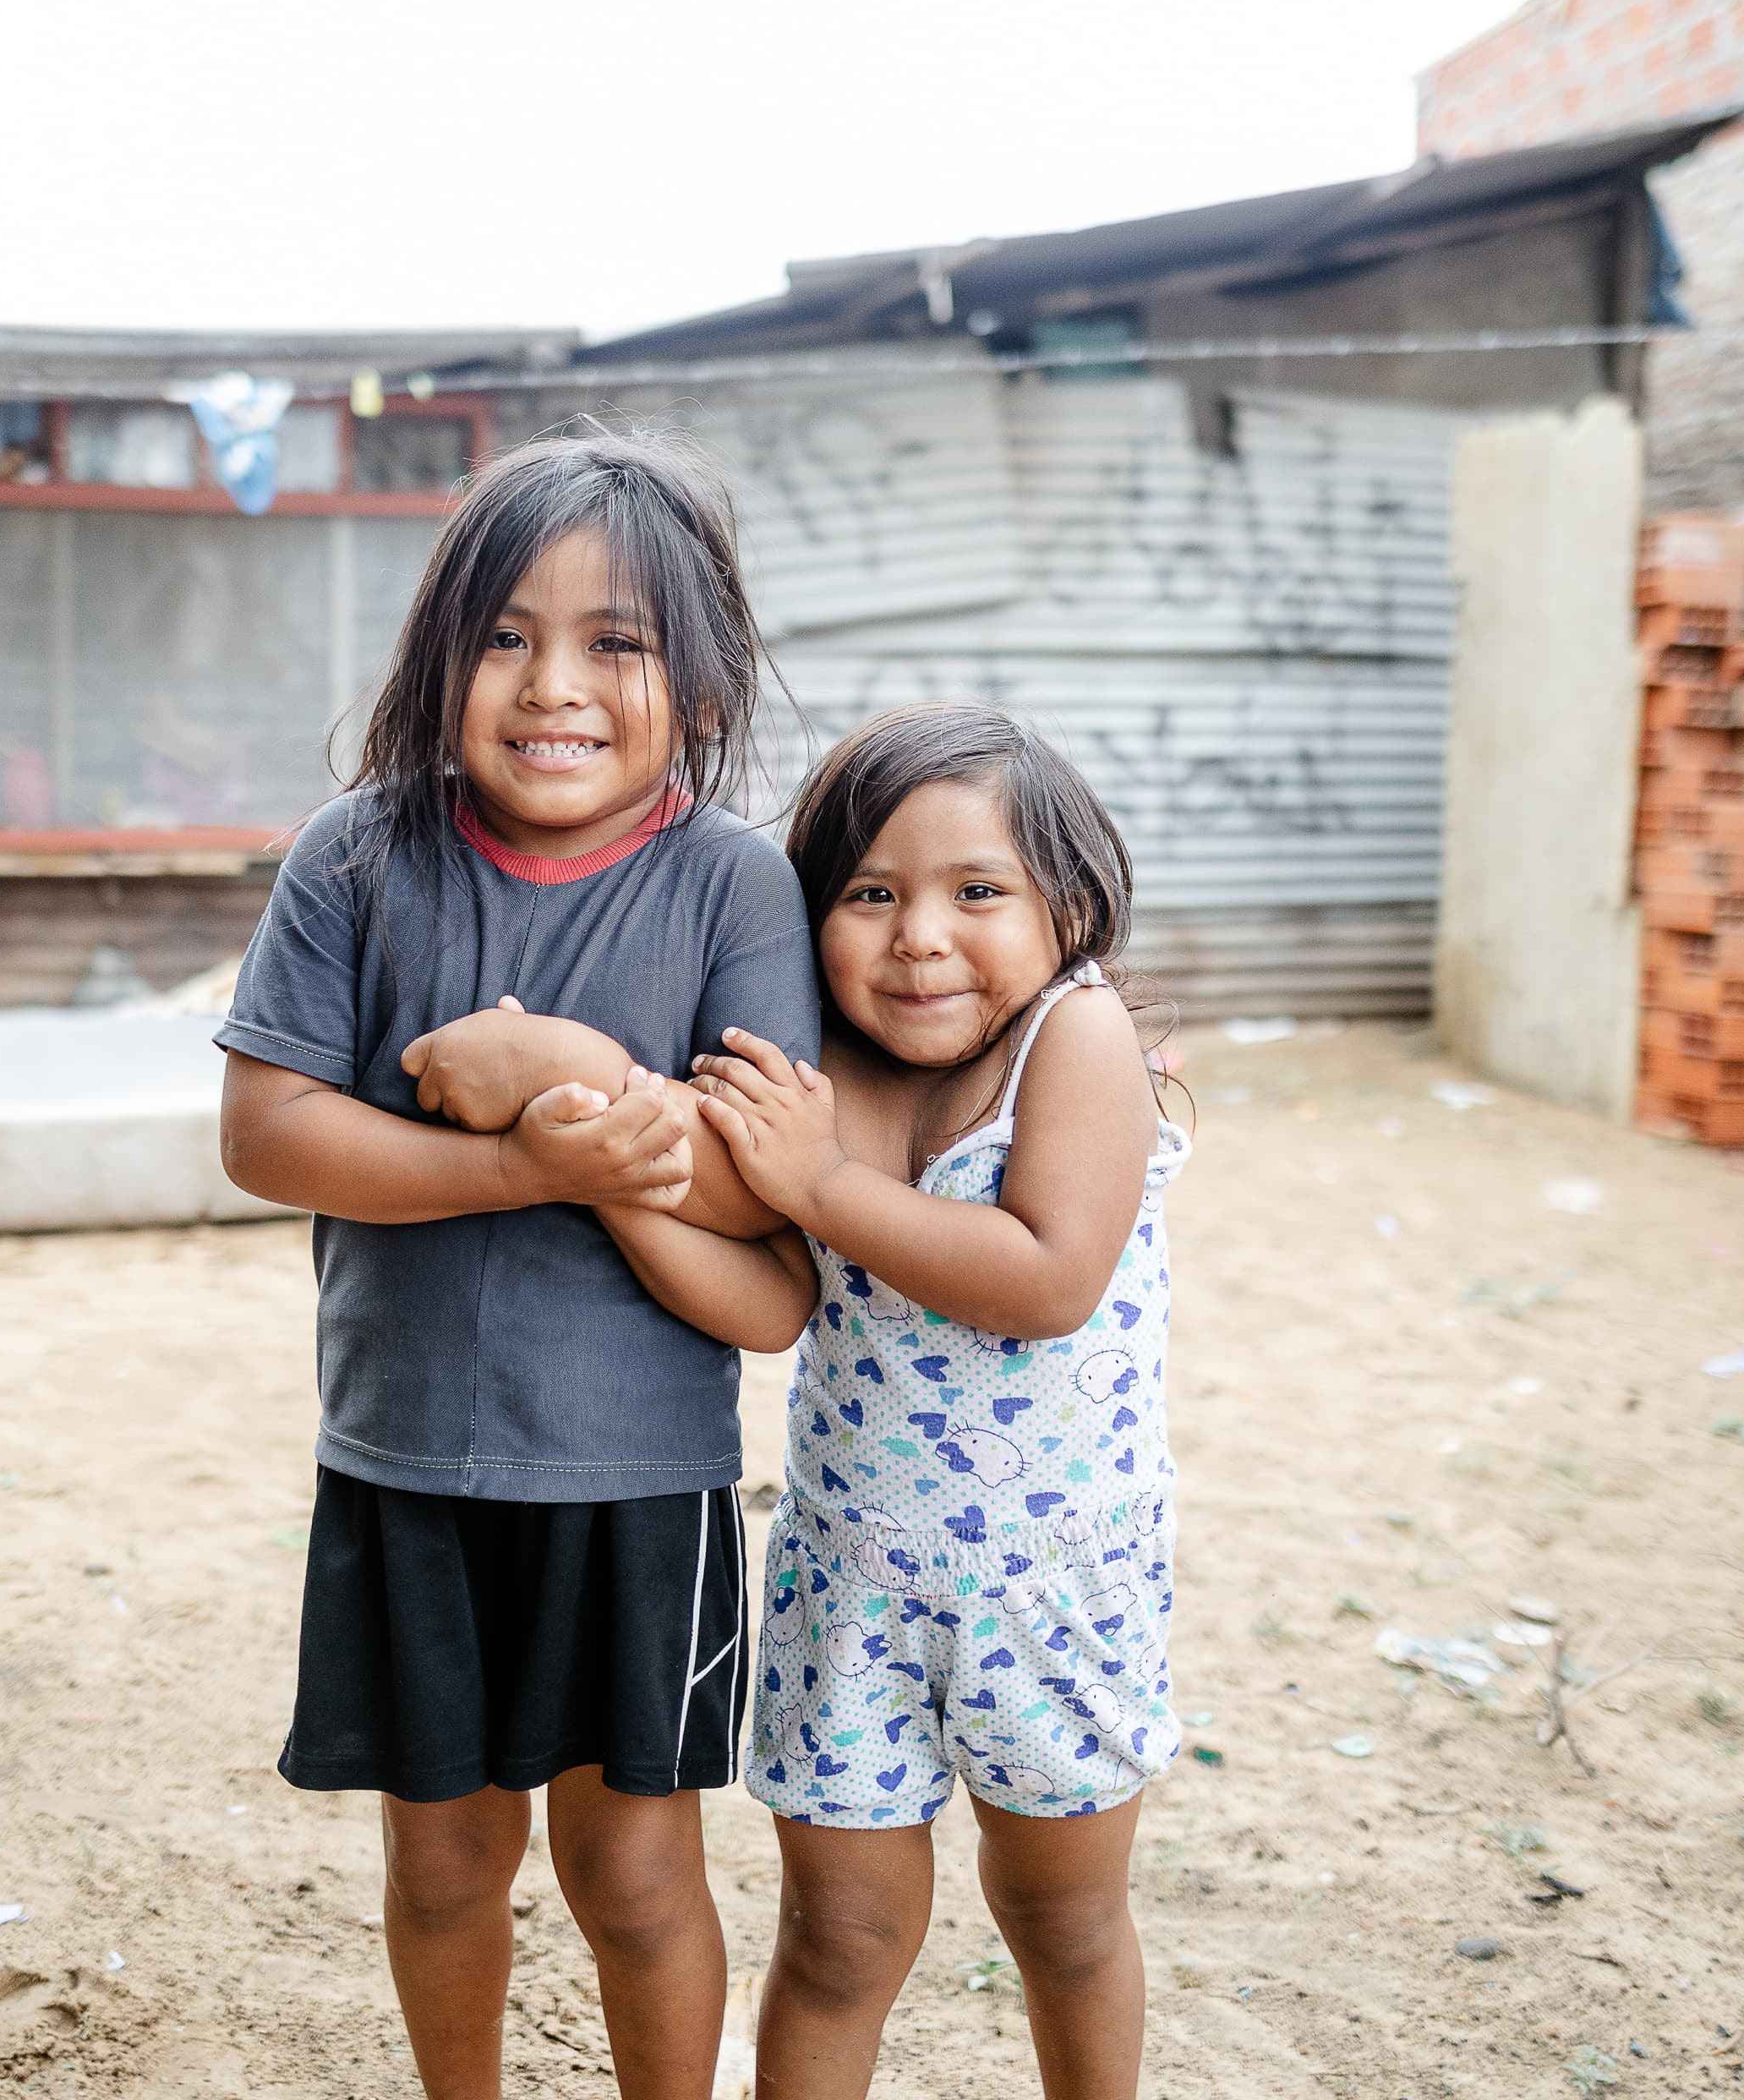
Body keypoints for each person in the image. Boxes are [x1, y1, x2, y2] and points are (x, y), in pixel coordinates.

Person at [407, 702, 1189, 2100]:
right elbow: (781, 1305)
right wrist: (622, 1189)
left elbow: (1047, 1275)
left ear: (1067, 907)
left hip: (1054, 1589)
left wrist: (815, 1182)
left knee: (1061, 1922)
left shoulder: (1078, 1040)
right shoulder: (828, 1072)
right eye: (870, 893)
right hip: (852, 1582)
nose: (921, 935)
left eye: (979, 891)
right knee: (837, 1940)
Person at [215, 428, 823, 2100]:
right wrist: (518, 1163)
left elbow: (766, 1230)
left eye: (616, 640)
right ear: (442, 653)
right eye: (506, 632)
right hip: (404, 1458)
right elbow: (268, 1131)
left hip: (638, 1481)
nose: (555, 683)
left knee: (633, 1875)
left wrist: (569, 1073)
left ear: (695, 679)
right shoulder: (360, 854)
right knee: (441, 1863)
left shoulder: (731, 885)